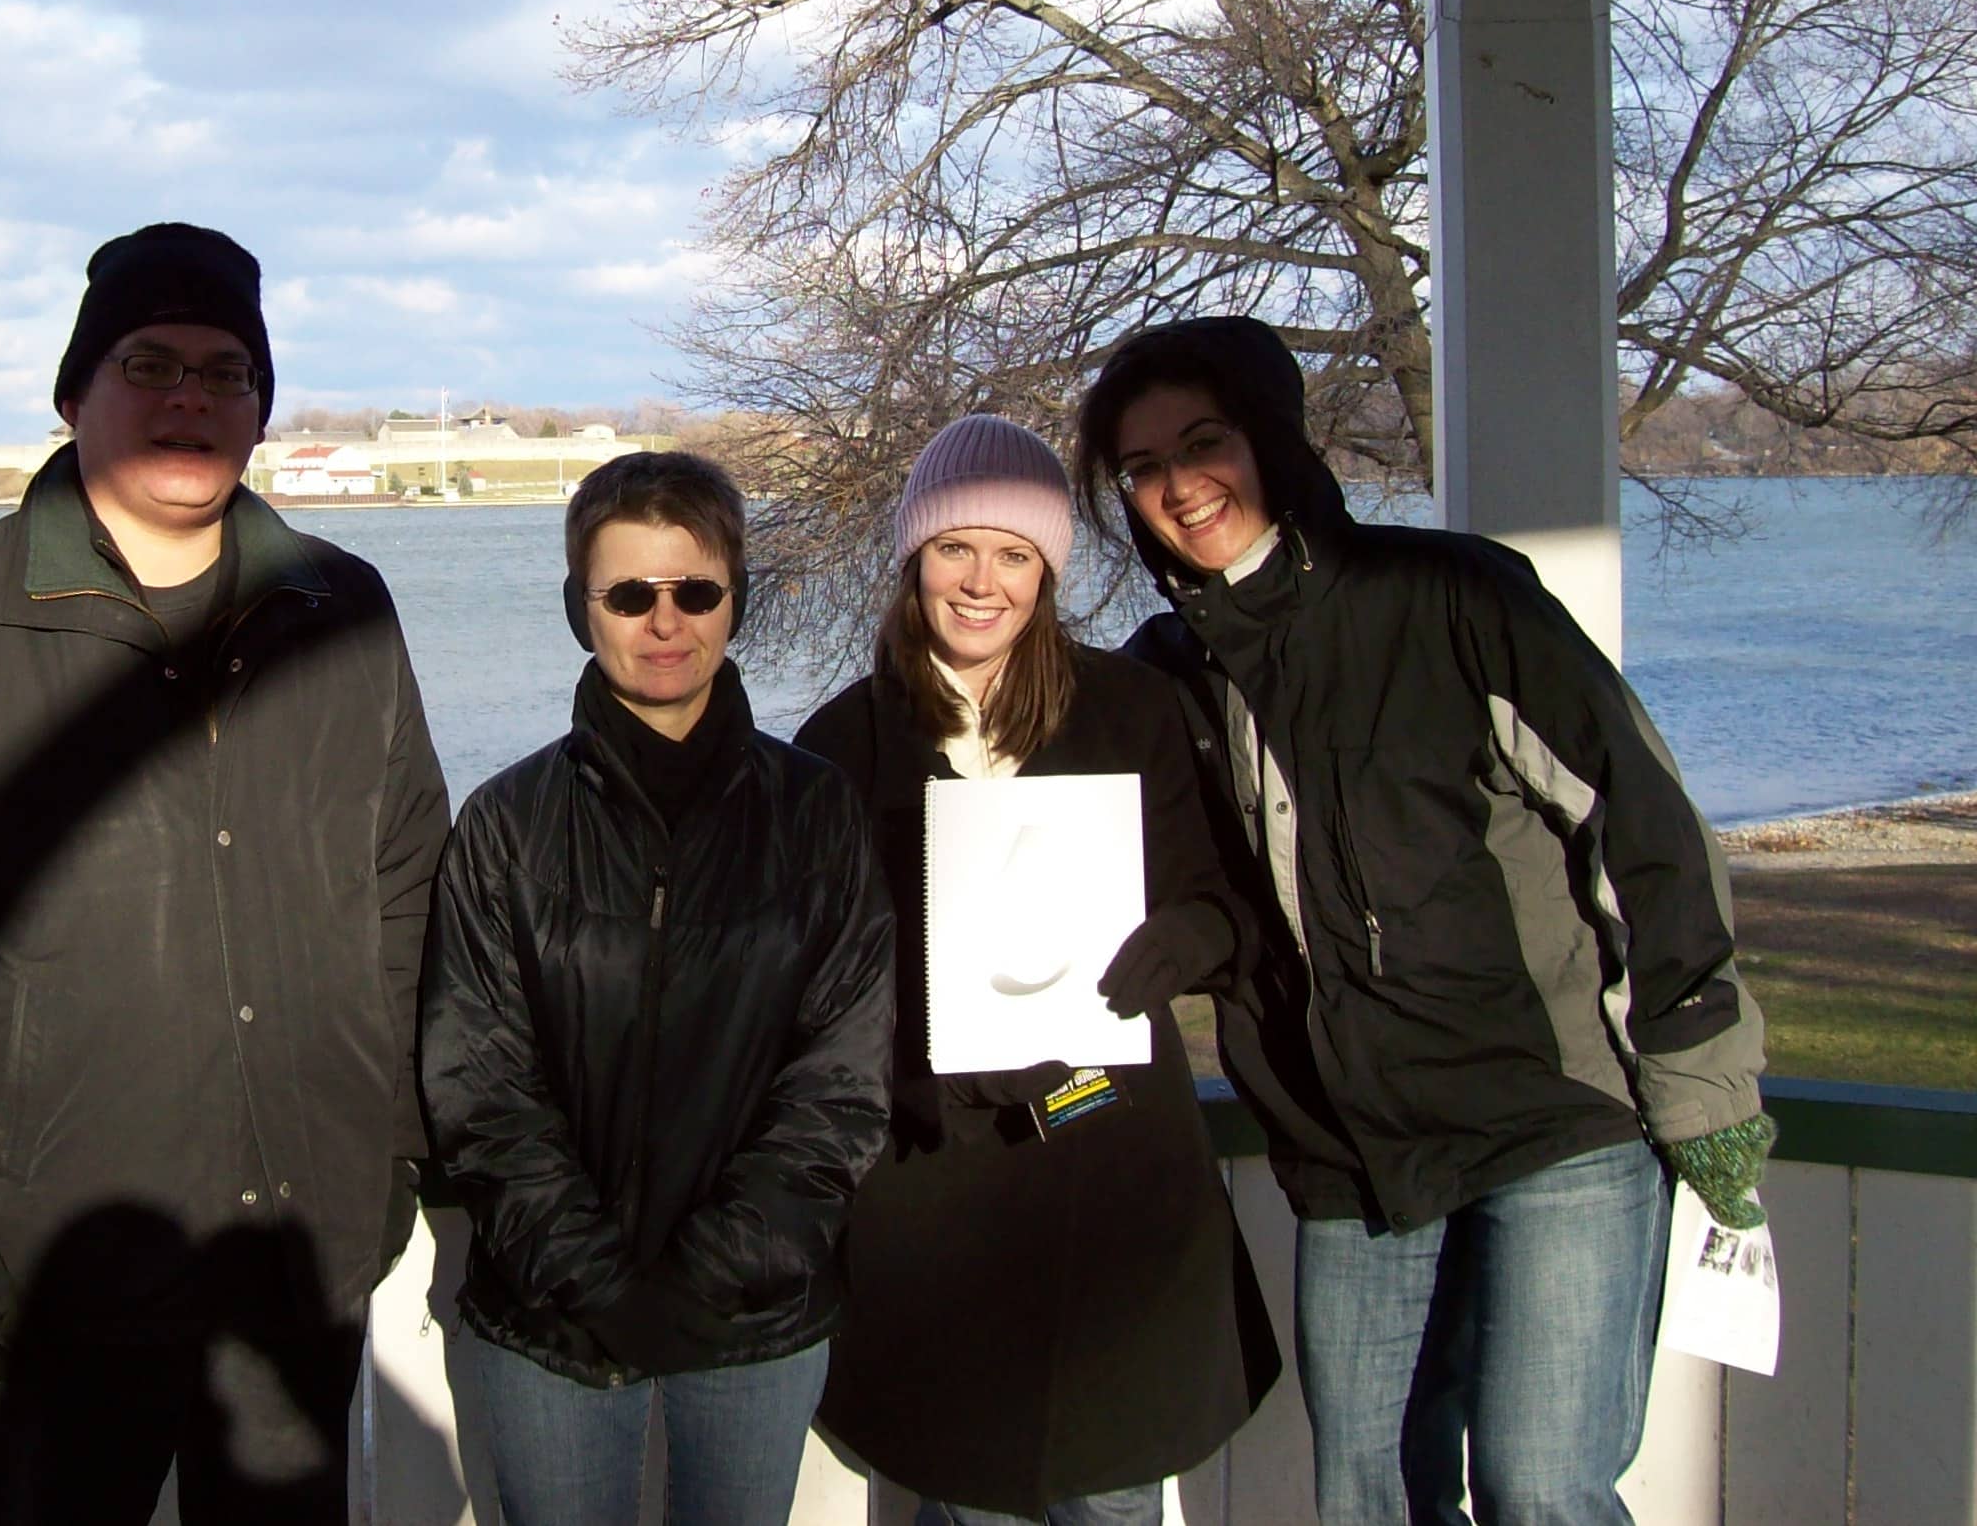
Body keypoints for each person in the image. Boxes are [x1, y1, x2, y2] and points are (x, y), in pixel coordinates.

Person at [0, 222, 450, 1526]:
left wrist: (390, 1154)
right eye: (150, 364)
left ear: (259, 410)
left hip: (294, 1252)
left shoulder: (343, 609)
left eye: (227, 373)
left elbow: (406, 889)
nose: (191, 398)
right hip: (46, 1271)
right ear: (73, 393)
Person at [1072, 315, 1773, 1526]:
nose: (1180, 486)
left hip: (1548, 1123)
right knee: (1364, 1498)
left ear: (1271, 442)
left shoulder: (1447, 598)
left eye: (1205, 441)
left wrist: (1702, 1076)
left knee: (1537, 1485)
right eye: (1142, 468)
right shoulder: (1165, 677)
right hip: (1354, 1163)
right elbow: (1155, 868)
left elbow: (1640, 824)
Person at [794, 414, 1280, 1525]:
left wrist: (1194, 938)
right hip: (932, 1198)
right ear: (912, 555)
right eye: (955, 547)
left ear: (1049, 572)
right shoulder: (840, 748)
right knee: (966, 1501)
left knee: (1108, 1501)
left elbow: (1223, 896)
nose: (981, 581)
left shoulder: (1134, 711)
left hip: (1110, 1187)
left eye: (1014, 553)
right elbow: (807, 981)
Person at [418, 449, 894, 1526]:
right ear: (581, 608)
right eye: (630, 593)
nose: (665, 622)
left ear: (736, 600)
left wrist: (705, 1278)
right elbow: (478, 1085)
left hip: (755, 1322)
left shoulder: (815, 814)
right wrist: (600, 1285)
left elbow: (841, 1080)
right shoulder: (506, 824)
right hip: (552, 1323)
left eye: (696, 591)